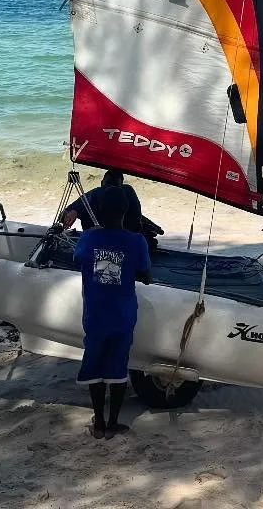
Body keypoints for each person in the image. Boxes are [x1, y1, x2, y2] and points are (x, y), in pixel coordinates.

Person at [73, 184, 151, 439]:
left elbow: (77, 258)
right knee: (118, 367)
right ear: (125, 211)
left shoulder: (88, 238)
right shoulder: (137, 241)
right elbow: (145, 271)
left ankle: (98, 422)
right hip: (123, 316)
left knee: (94, 365)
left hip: (95, 316)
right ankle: (113, 423)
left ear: (98, 211)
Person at [62, 169, 162, 253]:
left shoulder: (96, 194)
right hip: (123, 241)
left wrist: (73, 212)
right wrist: (73, 211)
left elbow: (62, 216)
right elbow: (137, 218)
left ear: (102, 183)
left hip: (99, 241)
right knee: (147, 240)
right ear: (121, 184)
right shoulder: (126, 192)